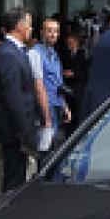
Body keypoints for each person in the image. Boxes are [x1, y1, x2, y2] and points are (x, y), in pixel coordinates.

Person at [0, 8, 40, 194]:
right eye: (29, 25)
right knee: (14, 179)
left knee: (19, 175)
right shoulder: (8, 53)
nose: (31, 29)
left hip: (20, 127)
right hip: (15, 130)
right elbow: (13, 96)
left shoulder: (17, 51)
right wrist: (23, 131)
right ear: (19, 26)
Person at [34, 16, 71, 145]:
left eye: (56, 31)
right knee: (44, 148)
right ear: (42, 32)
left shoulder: (54, 54)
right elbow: (37, 86)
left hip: (56, 106)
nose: (53, 34)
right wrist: (46, 116)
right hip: (42, 110)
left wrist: (65, 106)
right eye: (49, 31)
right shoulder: (36, 53)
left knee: (54, 146)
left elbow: (58, 83)